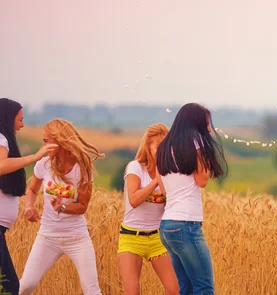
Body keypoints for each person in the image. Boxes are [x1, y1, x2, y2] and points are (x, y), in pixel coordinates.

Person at [20, 119, 104, 295]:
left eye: (46, 141)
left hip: (77, 238)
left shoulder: (82, 167)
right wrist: (28, 207)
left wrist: (62, 208)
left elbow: (82, 207)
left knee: (92, 290)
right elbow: (33, 190)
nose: (43, 146)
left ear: (61, 140)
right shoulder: (43, 165)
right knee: (26, 285)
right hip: (47, 237)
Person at [156, 103, 228, 295]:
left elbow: (163, 189)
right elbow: (202, 180)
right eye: (206, 124)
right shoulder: (197, 142)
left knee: (185, 288)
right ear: (196, 123)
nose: (210, 129)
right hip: (186, 224)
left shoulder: (164, 147)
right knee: (204, 287)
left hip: (167, 226)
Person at [0, 98, 56, 295]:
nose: (22, 124)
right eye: (20, 119)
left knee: (8, 286)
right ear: (8, 118)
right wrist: (35, 157)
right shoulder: (1, 138)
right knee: (10, 287)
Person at [118, 124, 178, 295]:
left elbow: (172, 203)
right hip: (132, 237)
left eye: (166, 147)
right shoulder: (135, 167)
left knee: (175, 290)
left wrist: (165, 179)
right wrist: (155, 181)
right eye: (158, 147)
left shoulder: (170, 172)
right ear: (148, 147)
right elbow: (134, 199)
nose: (162, 152)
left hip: (158, 238)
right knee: (132, 292)